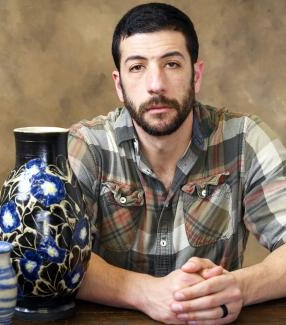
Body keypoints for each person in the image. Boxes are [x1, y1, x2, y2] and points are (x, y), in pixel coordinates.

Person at [67, 2, 286, 324]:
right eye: (137, 67)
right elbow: (51, 256)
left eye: (171, 64)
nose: (155, 84)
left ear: (195, 75)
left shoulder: (245, 139)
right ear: (119, 84)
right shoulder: (87, 146)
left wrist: (237, 288)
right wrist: (143, 291)